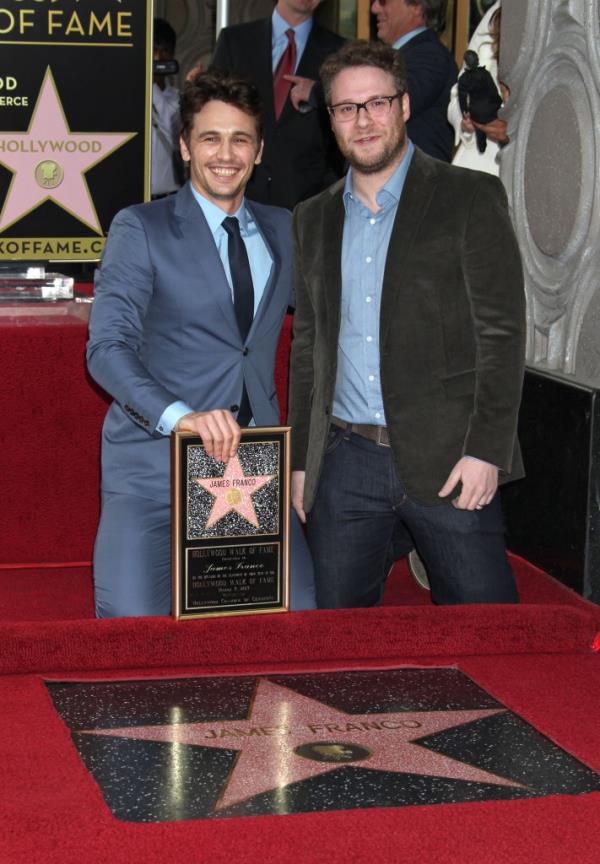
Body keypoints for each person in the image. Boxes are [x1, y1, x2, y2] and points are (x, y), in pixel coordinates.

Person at [288, 40, 526, 609]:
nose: (363, 120)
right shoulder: (313, 218)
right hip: (345, 464)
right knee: (339, 650)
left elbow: (502, 333)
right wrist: (300, 462)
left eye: (376, 103)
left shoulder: (469, 197)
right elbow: (307, 347)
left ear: (403, 104)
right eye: (346, 108)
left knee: (486, 635)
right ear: (332, 121)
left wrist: (486, 451)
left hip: (452, 460)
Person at [87, 69, 316, 617]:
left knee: (302, 625)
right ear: (185, 146)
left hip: (254, 469)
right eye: (210, 138)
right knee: (130, 635)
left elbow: (322, 326)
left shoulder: (286, 228)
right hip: (153, 472)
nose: (226, 154)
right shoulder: (142, 227)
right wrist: (180, 416)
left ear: (259, 151)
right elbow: (106, 349)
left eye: (241, 139)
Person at [211, 0, 345, 209]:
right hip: (238, 195)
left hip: (308, 203)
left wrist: (319, 94)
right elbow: (211, 112)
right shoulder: (235, 40)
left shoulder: (340, 51)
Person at [371, 0, 457, 162]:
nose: (374, 8)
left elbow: (387, 106)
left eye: (383, 1)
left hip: (412, 182)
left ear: (417, 6)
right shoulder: (408, 54)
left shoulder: (429, 55)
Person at [447, 2, 508, 175]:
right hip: (478, 165)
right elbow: (456, 96)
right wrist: (467, 121)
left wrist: (516, 129)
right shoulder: (500, 10)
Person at [151, 18, 182, 198]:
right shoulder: (130, 97)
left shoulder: (178, 98)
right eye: (153, 50)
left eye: (164, 51)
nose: (158, 58)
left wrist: (152, 84)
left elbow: (173, 135)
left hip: (168, 196)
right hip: (134, 195)